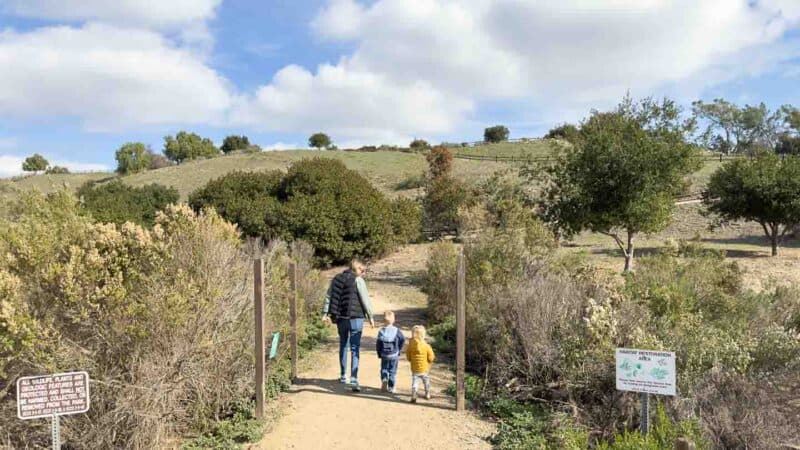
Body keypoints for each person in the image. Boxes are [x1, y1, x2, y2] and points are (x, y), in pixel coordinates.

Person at [322, 259, 374, 392]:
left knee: (343, 345)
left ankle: (343, 375)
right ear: (355, 269)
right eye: (362, 270)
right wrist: (370, 317)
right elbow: (365, 300)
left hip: (341, 318)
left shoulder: (336, 279)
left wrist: (325, 313)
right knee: (355, 347)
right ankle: (354, 378)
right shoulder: (358, 280)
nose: (363, 273)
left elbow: (329, 296)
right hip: (356, 318)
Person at [375, 311, 405, 394]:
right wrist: (399, 349)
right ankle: (391, 387)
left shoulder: (381, 331)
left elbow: (378, 344)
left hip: (384, 354)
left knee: (384, 368)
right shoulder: (397, 331)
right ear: (393, 320)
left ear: (383, 321)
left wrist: (379, 353)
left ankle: (384, 379)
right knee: (392, 371)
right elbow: (402, 339)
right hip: (394, 354)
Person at [405, 325, 435, 403]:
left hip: (415, 369)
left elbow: (408, 355)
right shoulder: (427, 346)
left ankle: (414, 394)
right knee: (426, 381)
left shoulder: (410, 346)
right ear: (423, 335)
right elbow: (431, 357)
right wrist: (430, 361)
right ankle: (427, 393)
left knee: (415, 382)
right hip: (425, 368)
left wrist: (410, 360)